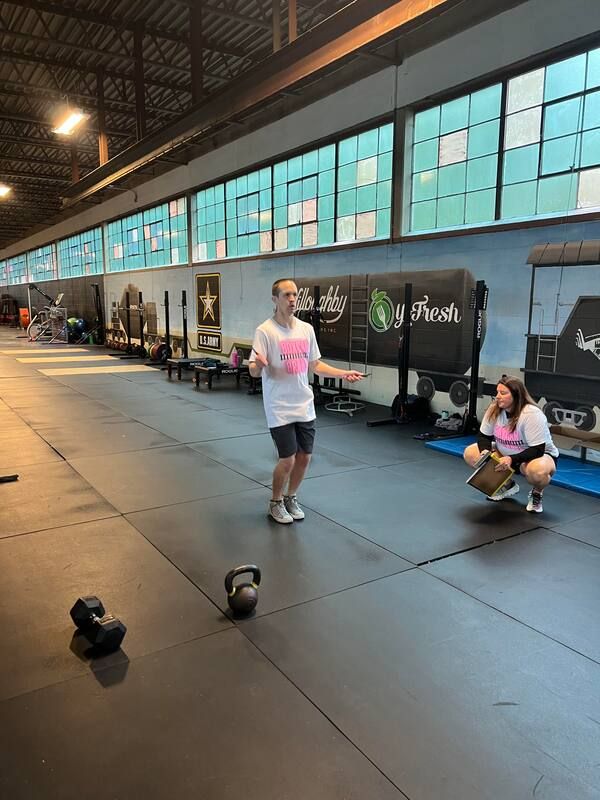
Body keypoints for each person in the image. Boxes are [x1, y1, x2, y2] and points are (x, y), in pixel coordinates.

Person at [250, 278, 364, 524]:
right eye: (287, 295)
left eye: (295, 295)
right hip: (278, 406)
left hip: (304, 403)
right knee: (288, 458)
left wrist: (343, 373)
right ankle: (276, 501)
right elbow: (253, 370)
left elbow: (315, 365)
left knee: (305, 457)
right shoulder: (265, 331)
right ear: (275, 299)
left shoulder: (306, 329)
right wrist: (257, 365)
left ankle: (291, 496)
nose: (292, 299)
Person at [463, 375, 559, 513]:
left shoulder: (531, 414)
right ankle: (507, 485)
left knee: (537, 472)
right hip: (506, 453)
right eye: (497, 392)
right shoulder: (494, 409)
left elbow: (537, 449)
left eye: (503, 393)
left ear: (516, 395)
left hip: (536, 456)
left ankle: (537, 494)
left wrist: (511, 459)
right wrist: (485, 451)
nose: (497, 396)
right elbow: (484, 436)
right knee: (471, 453)